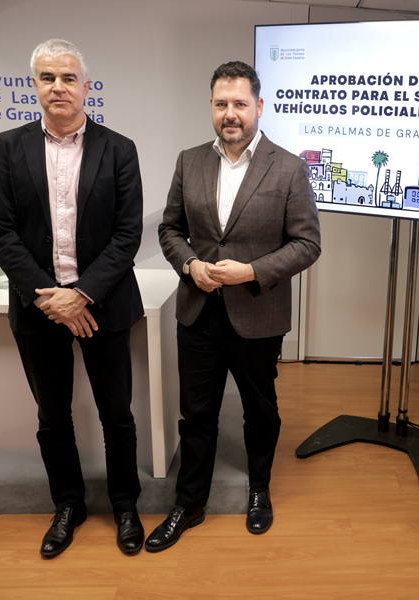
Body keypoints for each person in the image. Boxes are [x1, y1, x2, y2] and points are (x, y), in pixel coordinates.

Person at [148, 61, 321, 551]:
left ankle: (259, 489)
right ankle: (189, 503)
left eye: (240, 104)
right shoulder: (189, 161)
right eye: (222, 104)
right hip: (197, 311)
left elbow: (307, 244)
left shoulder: (288, 168)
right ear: (211, 106)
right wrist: (189, 265)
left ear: (258, 106)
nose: (231, 113)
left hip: (258, 313)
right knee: (196, 414)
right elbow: (170, 229)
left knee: (259, 411)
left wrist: (252, 271)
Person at [0, 39, 145, 558]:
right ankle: (68, 506)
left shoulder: (119, 148)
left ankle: (125, 504)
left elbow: (127, 233)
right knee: (53, 417)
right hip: (39, 309)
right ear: (34, 85)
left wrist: (83, 295)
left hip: (104, 305)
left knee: (116, 413)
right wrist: (49, 299)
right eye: (48, 77)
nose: (58, 87)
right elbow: (2, 230)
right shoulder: (9, 146)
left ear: (85, 86)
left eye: (68, 77)